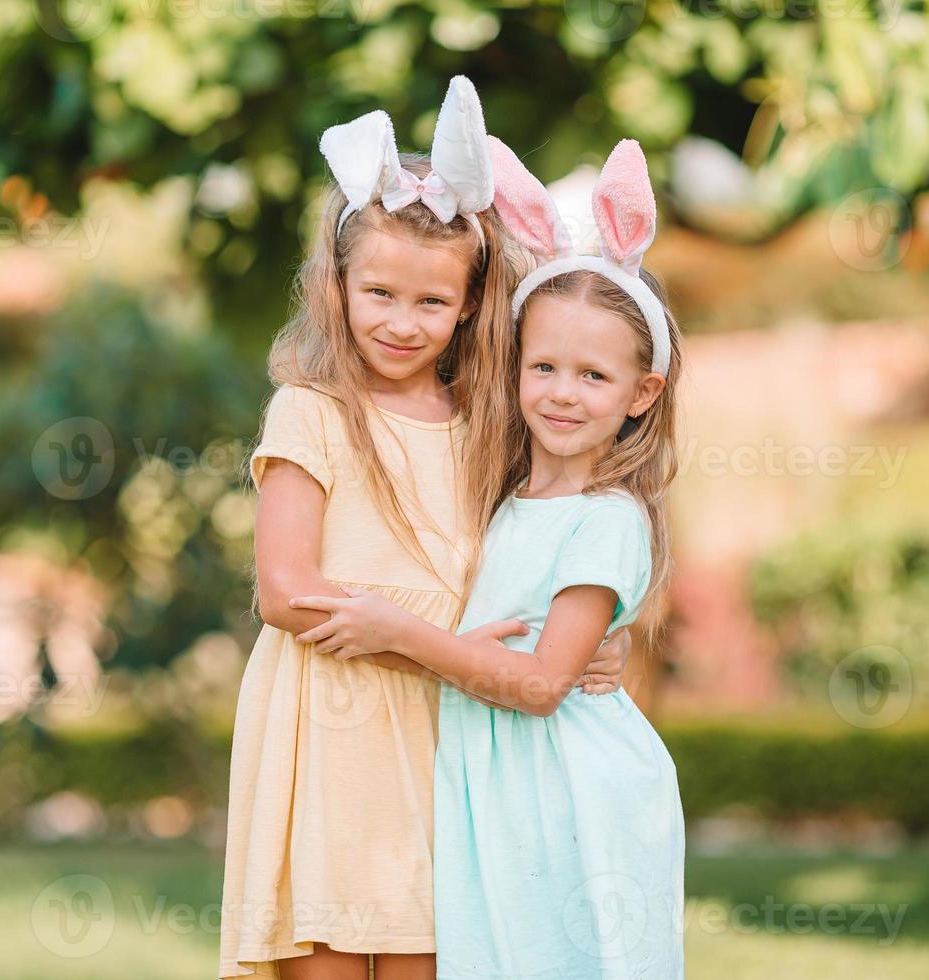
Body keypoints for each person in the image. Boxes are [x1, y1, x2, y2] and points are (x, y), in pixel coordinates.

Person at [219, 78, 631, 980]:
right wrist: (443, 650)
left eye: (432, 305)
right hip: (330, 729)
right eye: (380, 294)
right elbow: (287, 591)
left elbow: (543, 560)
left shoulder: (489, 427)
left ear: (471, 305)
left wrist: (591, 641)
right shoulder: (313, 410)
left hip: (452, 738)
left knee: (438, 949)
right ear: (337, 284)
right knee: (324, 948)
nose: (402, 325)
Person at [290, 136, 686, 979]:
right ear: (512, 365)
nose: (561, 392)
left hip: (566, 788)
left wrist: (402, 631)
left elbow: (543, 683)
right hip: (493, 781)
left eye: (593, 376)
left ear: (641, 393)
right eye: (542, 365)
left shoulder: (610, 518)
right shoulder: (503, 490)